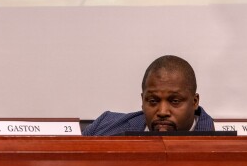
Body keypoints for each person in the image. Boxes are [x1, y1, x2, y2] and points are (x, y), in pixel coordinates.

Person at [82, 55, 214, 135]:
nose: (162, 112)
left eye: (174, 101)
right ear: (142, 100)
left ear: (195, 102)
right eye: (153, 101)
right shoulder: (103, 127)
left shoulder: (222, 146)